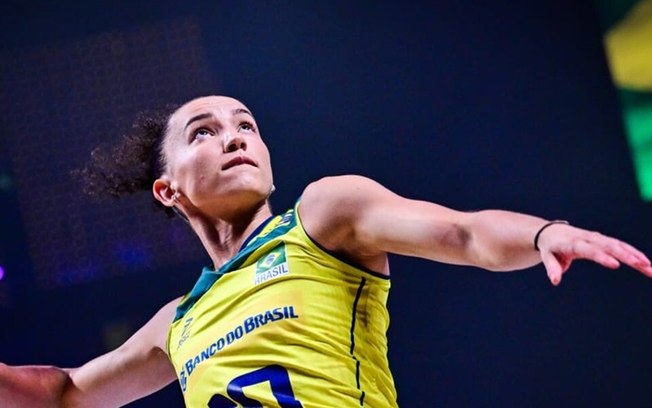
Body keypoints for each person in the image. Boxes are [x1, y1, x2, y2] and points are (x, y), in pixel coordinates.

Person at [1, 95, 651, 407]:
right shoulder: (179, 321)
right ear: (168, 189)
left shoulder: (322, 216)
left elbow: (464, 233)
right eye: (205, 132)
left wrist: (542, 234)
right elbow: (65, 394)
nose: (235, 138)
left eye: (247, 126)